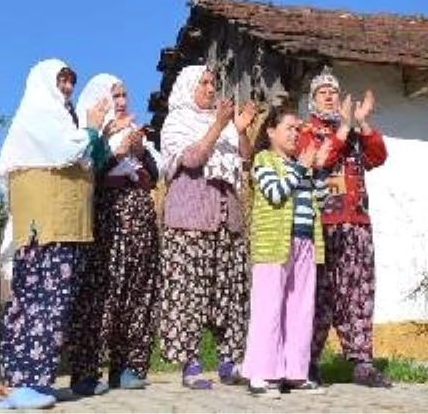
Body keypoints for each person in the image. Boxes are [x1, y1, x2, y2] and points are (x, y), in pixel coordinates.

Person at [0, 59, 113, 410]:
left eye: (71, 79)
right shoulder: (36, 115)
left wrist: (97, 134)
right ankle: (19, 383)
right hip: (43, 229)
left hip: (65, 228)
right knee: (37, 304)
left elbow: (88, 158)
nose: (67, 86)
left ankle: (36, 381)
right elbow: (65, 150)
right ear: (44, 81)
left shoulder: (65, 120)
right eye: (62, 79)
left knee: (54, 306)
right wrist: (90, 130)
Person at [158, 65, 256, 390]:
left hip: (227, 216)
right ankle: (191, 365)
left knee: (229, 292)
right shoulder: (178, 121)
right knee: (190, 292)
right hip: (190, 217)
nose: (211, 88)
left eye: (214, 83)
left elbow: (245, 160)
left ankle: (230, 362)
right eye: (203, 83)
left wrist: (239, 130)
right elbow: (192, 159)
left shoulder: (226, 126)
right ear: (188, 87)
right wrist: (219, 124)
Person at [65, 74, 161, 396]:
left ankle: (127, 367)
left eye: (123, 95)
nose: (121, 102)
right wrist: (116, 151)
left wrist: (141, 152)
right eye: (114, 96)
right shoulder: (88, 132)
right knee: (102, 292)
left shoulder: (135, 130)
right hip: (108, 215)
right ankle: (85, 372)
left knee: (138, 290)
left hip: (140, 215)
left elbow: (156, 173)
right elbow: (84, 168)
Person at [300, 67, 392, 388]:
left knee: (359, 293)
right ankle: (307, 361)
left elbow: (378, 156)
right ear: (312, 99)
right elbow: (320, 162)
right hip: (323, 225)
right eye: (322, 91)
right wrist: (342, 129)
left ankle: (362, 362)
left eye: (334, 91)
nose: (329, 95)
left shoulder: (352, 131)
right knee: (320, 295)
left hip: (358, 223)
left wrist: (362, 122)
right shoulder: (307, 131)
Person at [242, 107, 330, 397]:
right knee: (269, 308)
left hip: (305, 242)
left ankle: (295, 373)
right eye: (289, 128)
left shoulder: (298, 163)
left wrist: (319, 170)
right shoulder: (263, 160)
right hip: (273, 245)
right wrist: (301, 168)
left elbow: (320, 198)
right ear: (271, 132)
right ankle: (261, 374)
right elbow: (276, 192)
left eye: (297, 128)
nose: (295, 133)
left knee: (300, 309)